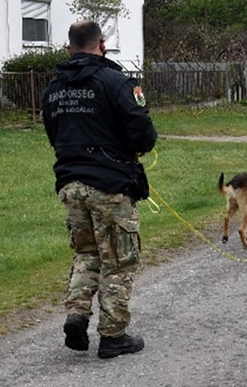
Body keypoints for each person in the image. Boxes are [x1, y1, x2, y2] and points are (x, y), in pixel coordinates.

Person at [41, 20, 157, 359]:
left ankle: (77, 314)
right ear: (102, 45)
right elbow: (143, 133)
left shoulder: (52, 90)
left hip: (71, 184)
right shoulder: (117, 82)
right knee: (120, 260)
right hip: (109, 186)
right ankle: (113, 336)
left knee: (87, 252)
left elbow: (53, 135)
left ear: (68, 49)